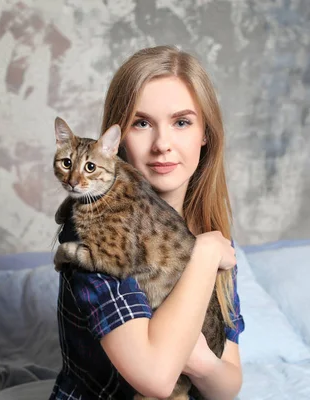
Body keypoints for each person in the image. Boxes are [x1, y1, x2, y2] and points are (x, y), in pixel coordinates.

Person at [50, 45, 245, 400]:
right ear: (117, 141)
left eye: (181, 122)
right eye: (141, 123)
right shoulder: (94, 228)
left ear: (205, 134)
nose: (162, 145)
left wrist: (201, 363)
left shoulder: (205, 230)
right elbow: (155, 379)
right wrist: (202, 257)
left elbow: (228, 385)